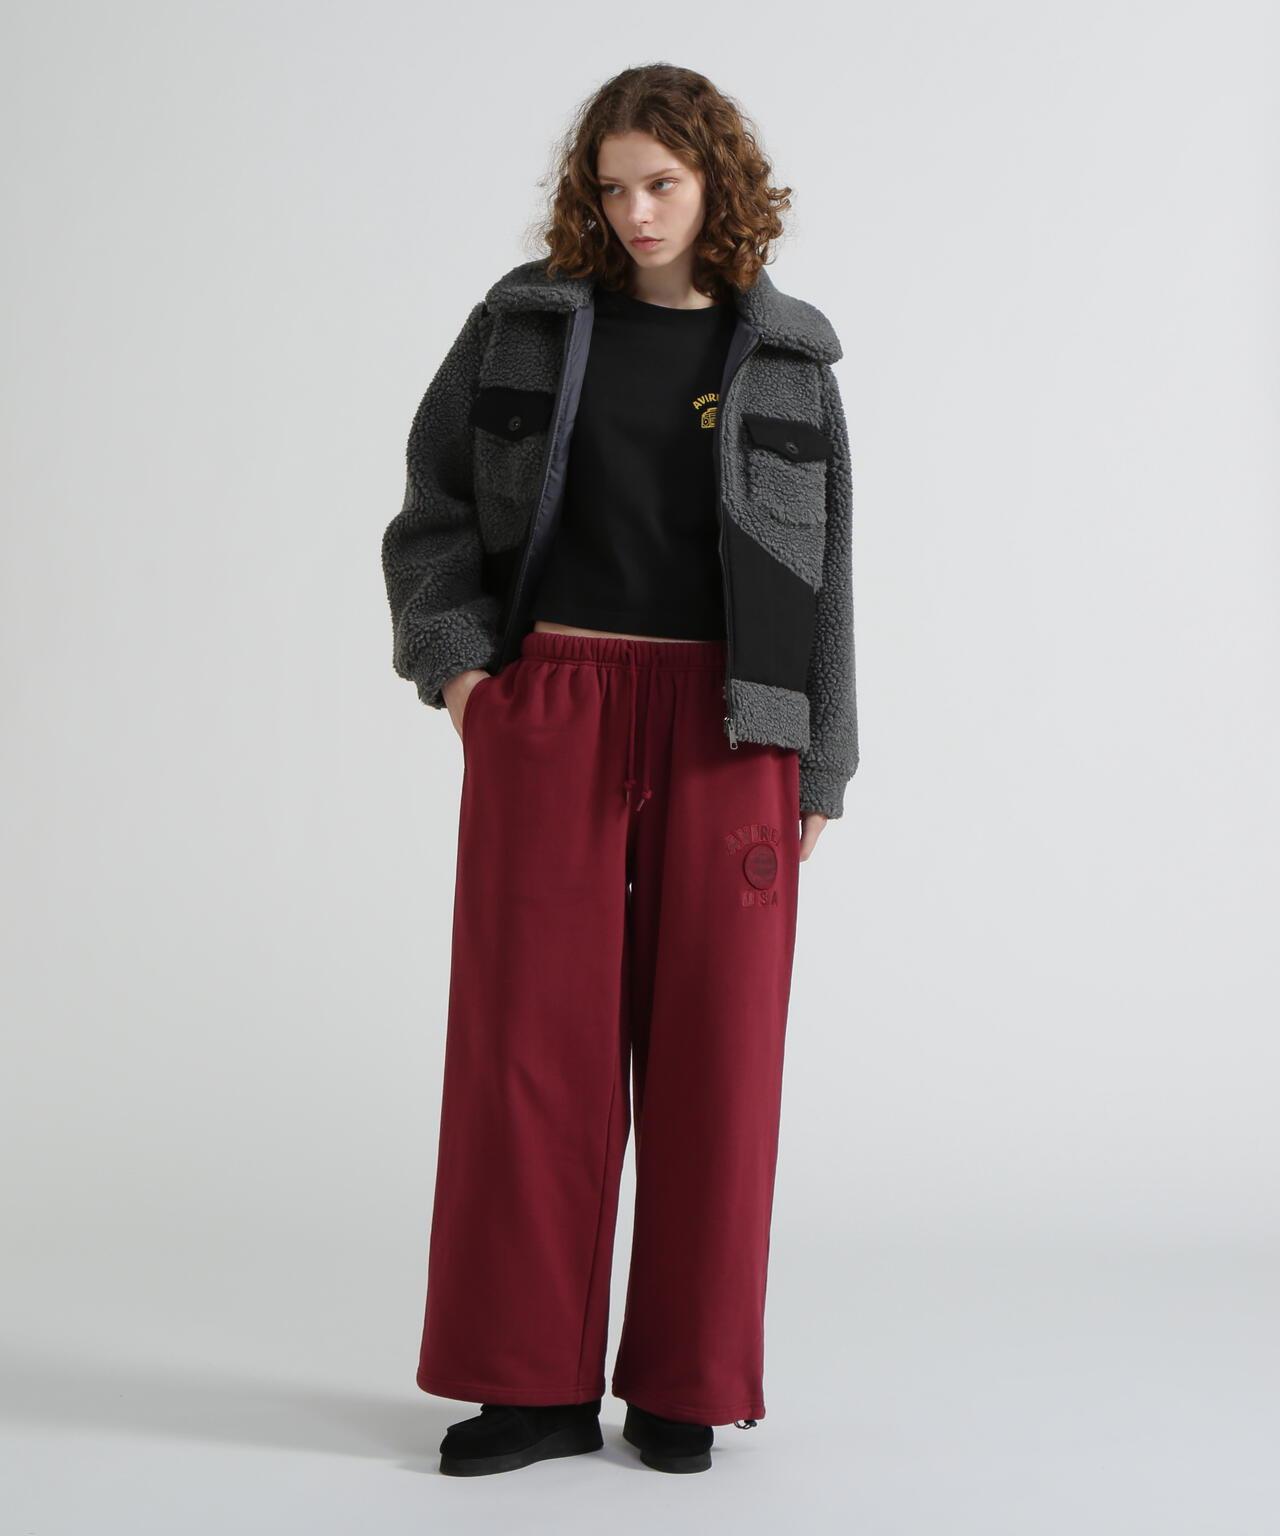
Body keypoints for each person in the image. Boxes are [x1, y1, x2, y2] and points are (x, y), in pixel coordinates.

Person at [380, 62, 858, 1477]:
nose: (637, 212)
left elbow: (831, 581)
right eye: (612, 188)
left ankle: (682, 1387)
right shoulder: (524, 325)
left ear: (716, 183)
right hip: (557, 709)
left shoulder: (790, 359)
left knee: (721, 1059)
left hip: (733, 730)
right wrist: (465, 679)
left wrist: (819, 764)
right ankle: (525, 1387)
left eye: (663, 183)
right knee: (529, 1055)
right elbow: (430, 511)